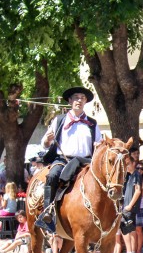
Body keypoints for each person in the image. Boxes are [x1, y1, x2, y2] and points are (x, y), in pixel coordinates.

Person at [35, 86, 103, 233]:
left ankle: (114, 215)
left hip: (86, 162)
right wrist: (47, 140)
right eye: (76, 97)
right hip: (63, 159)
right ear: (70, 101)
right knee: (52, 175)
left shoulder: (92, 123)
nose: (79, 100)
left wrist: (98, 145)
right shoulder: (59, 120)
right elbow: (44, 144)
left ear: (85, 102)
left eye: (82, 98)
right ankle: (48, 213)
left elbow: (99, 143)